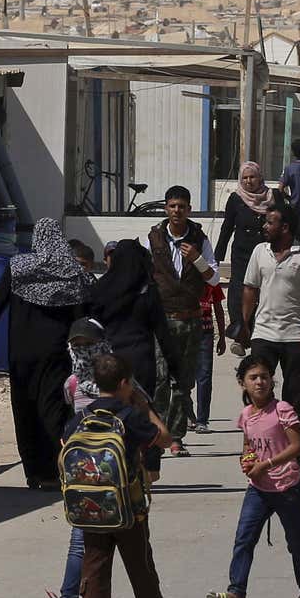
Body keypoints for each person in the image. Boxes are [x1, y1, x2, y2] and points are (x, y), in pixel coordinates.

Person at [0, 217, 88, 488]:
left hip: (22, 353)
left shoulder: (19, 267)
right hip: (56, 354)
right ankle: (57, 470)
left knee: (25, 409)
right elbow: (82, 316)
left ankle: (34, 472)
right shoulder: (71, 271)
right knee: (54, 409)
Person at [69, 354, 176, 598]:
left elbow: (64, 450)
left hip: (90, 506)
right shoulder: (128, 417)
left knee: (94, 564)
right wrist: (146, 407)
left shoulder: (82, 417)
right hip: (127, 504)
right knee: (139, 564)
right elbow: (166, 439)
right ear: (125, 383)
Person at [205, 354, 300, 598]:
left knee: (296, 541)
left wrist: (266, 465)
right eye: (253, 378)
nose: (260, 382)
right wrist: (246, 460)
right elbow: (248, 444)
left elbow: (296, 446)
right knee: (244, 538)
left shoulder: (283, 410)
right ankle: (236, 594)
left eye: (264, 377)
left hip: (287, 487)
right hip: (258, 487)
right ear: (242, 383)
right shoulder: (246, 415)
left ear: (272, 381)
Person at [147, 185, 220, 457]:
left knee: (183, 382)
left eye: (182, 206)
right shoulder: (153, 239)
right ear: (166, 208)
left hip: (190, 321)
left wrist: (197, 260)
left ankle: (176, 437)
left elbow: (213, 279)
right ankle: (158, 434)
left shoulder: (199, 240)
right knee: (159, 380)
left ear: (189, 209)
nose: (176, 211)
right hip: (162, 321)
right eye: (172, 206)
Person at [240, 203, 300, 433]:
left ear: (285, 227)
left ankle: (296, 451)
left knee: (294, 398)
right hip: (264, 334)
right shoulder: (260, 251)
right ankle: (260, 440)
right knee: (257, 392)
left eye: (270, 222)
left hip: (294, 336)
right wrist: (244, 323)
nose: (265, 226)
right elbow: (250, 288)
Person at [85, 239, 178, 403]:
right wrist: (175, 367)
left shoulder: (99, 288)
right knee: (139, 416)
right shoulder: (147, 291)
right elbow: (162, 333)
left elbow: (91, 328)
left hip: (108, 363)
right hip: (140, 362)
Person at [216, 161, 276, 352]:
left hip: (267, 253)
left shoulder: (273, 197)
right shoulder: (236, 199)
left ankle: (257, 333)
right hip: (242, 254)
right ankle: (240, 334)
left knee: (263, 294)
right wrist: (216, 257)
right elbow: (227, 228)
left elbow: (284, 224)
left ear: (260, 177)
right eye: (245, 178)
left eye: (253, 177)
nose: (249, 181)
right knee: (237, 294)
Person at [195, 281, 227, 433]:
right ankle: (187, 416)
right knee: (183, 378)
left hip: (205, 334)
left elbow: (219, 310)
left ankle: (202, 420)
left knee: (204, 376)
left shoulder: (211, 281)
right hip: (185, 332)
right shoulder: (178, 275)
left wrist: (222, 337)